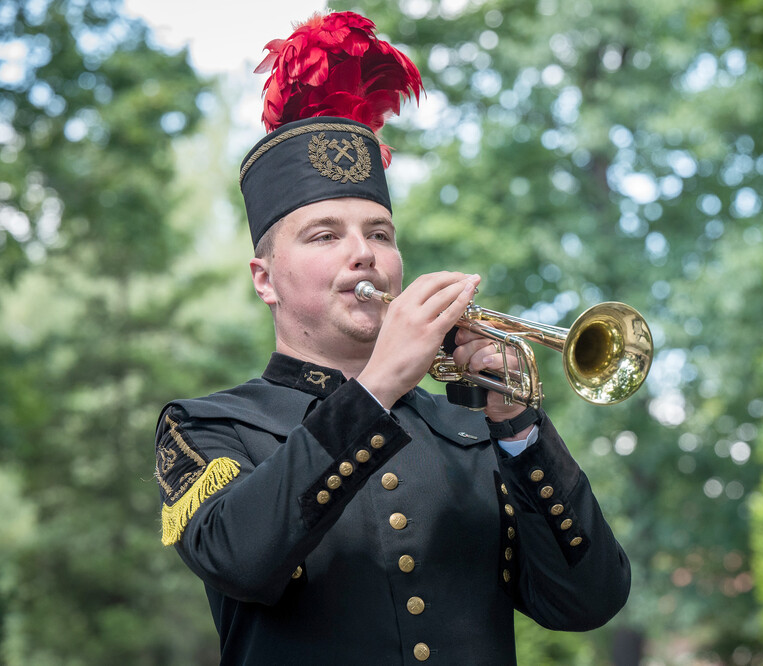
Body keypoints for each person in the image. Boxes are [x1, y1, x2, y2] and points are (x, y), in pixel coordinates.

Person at [153, 11, 630, 664]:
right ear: (265, 280)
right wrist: (377, 385)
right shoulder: (204, 426)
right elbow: (239, 558)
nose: (364, 254)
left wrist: (517, 424)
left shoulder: (469, 426)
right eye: (325, 235)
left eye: (379, 234)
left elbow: (588, 600)